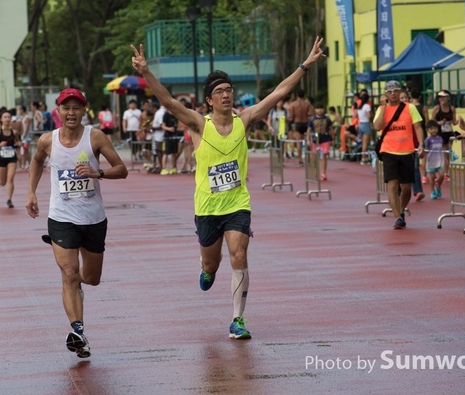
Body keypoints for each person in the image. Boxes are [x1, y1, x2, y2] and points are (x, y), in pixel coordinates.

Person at [131, 37, 325, 339]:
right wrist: (145, 72)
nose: (226, 94)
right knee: (212, 262)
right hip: (207, 206)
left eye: (229, 90)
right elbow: (167, 100)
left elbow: (280, 92)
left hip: (237, 202)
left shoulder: (244, 119)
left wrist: (305, 65)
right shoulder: (198, 124)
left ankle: (237, 320)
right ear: (209, 99)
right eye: (219, 91)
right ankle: (206, 268)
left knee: (239, 255)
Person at [26, 88, 128, 358]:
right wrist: (31, 192)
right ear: (58, 111)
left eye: (76, 108)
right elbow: (36, 162)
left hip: (93, 218)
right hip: (61, 217)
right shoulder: (48, 140)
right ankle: (78, 332)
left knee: (91, 278)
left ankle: (79, 288)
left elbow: (122, 169)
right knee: (69, 273)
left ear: (84, 110)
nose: (71, 113)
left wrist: (98, 172)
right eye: (66, 108)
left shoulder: (95, 137)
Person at [373, 81, 425, 229]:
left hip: (407, 151)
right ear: (386, 94)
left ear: (400, 91)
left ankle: (401, 210)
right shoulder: (381, 109)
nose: (393, 94)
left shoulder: (410, 108)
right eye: (390, 91)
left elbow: (418, 127)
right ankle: (397, 218)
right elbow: (377, 127)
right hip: (388, 150)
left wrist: (421, 144)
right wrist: (383, 107)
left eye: (396, 91)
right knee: (392, 184)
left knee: (407, 187)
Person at [0, 110, 20, 208]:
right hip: (1, 158)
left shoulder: (14, 132)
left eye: (9, 117)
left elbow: (18, 142)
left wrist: (19, 144)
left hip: (12, 157)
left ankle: (9, 200)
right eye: (5, 117)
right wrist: (0, 144)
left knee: (10, 178)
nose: (7, 119)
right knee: (3, 183)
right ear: (1, 119)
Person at [400, 91, 425, 201]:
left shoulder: (412, 110)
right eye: (402, 98)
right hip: (399, 147)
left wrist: (421, 144)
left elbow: (419, 127)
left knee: (415, 168)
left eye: (406, 97)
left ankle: (418, 191)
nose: (404, 99)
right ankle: (400, 192)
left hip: (413, 145)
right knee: (400, 170)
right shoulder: (394, 112)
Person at [432, 90, 459, 181]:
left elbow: (454, 122)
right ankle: (436, 173)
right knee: (439, 153)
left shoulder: (452, 108)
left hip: (449, 133)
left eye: (444, 97)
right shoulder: (436, 108)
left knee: (447, 153)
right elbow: (432, 122)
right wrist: (439, 123)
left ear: (448, 98)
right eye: (440, 97)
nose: (442, 99)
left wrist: (459, 121)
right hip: (439, 133)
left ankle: (446, 173)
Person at [306, 103, 333, 181]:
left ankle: (323, 173)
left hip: (325, 139)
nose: (319, 110)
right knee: (314, 157)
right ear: (315, 109)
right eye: (318, 108)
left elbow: (331, 129)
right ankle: (316, 171)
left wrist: (333, 139)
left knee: (324, 156)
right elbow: (308, 130)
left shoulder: (327, 119)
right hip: (315, 141)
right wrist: (308, 140)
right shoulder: (312, 119)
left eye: (321, 108)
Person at [291, 89, 314, 166]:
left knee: (299, 143)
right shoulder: (307, 104)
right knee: (308, 141)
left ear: (297, 95)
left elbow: (291, 116)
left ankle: (300, 160)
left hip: (298, 123)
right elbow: (311, 114)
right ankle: (308, 158)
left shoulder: (293, 104)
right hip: (306, 123)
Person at [424, 120, 445, 199]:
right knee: (432, 178)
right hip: (431, 162)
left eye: (435, 128)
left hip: (440, 161)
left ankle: (438, 185)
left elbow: (442, 148)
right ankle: (432, 191)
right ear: (428, 130)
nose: (434, 130)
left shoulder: (440, 138)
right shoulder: (428, 140)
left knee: (442, 175)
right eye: (431, 129)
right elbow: (425, 149)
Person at [161, 108, 181, 175]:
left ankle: (173, 167)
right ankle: (164, 168)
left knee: (174, 153)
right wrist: (169, 129)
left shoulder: (176, 115)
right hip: (167, 137)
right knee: (166, 153)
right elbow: (163, 126)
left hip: (174, 136)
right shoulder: (166, 115)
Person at [356, 93, 373, 164]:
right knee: (365, 143)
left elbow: (356, 116)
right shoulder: (367, 106)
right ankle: (363, 158)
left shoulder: (359, 106)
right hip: (366, 124)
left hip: (360, 124)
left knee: (363, 142)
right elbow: (369, 116)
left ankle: (364, 157)